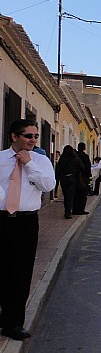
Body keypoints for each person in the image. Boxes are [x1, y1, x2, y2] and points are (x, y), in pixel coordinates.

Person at [0, 119, 56, 341]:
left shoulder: (41, 161)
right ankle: (4, 315)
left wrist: (29, 164)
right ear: (15, 136)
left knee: (21, 271)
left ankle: (14, 323)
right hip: (2, 219)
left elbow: (48, 186)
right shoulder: (1, 159)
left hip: (26, 222)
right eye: (28, 136)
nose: (33, 140)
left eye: (35, 136)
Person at [55, 145, 84, 219]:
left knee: (66, 196)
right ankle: (68, 212)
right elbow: (82, 167)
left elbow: (58, 169)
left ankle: (67, 211)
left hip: (64, 179)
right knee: (70, 196)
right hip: (72, 178)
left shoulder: (62, 158)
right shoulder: (75, 158)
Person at [73, 142, 92, 215]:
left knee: (75, 194)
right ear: (84, 148)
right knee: (83, 195)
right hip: (83, 178)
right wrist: (89, 176)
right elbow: (88, 167)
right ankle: (81, 209)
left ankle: (74, 209)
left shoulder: (74, 156)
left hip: (75, 177)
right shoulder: (85, 156)